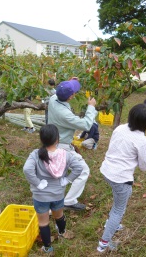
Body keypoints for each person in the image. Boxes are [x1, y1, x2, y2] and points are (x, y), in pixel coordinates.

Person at [97, 104, 146, 253]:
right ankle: (104, 243)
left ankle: (113, 224)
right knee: (118, 209)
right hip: (120, 178)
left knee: (122, 197)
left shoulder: (120, 128)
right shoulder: (143, 141)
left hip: (107, 170)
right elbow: (144, 166)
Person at [23, 124, 83, 254]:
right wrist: (67, 179)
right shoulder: (65, 155)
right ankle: (62, 232)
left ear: (42, 139)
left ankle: (48, 248)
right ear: (57, 139)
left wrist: (38, 183)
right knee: (59, 215)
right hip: (57, 194)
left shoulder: (35, 154)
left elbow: (27, 169)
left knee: (43, 222)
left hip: (40, 197)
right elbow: (79, 168)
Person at [48, 78, 97, 211]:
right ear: (70, 97)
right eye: (73, 91)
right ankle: (68, 201)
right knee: (82, 171)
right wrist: (91, 107)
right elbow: (86, 124)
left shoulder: (53, 98)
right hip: (61, 147)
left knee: (59, 174)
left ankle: (52, 202)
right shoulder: (64, 114)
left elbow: (61, 91)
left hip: (54, 142)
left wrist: (70, 82)